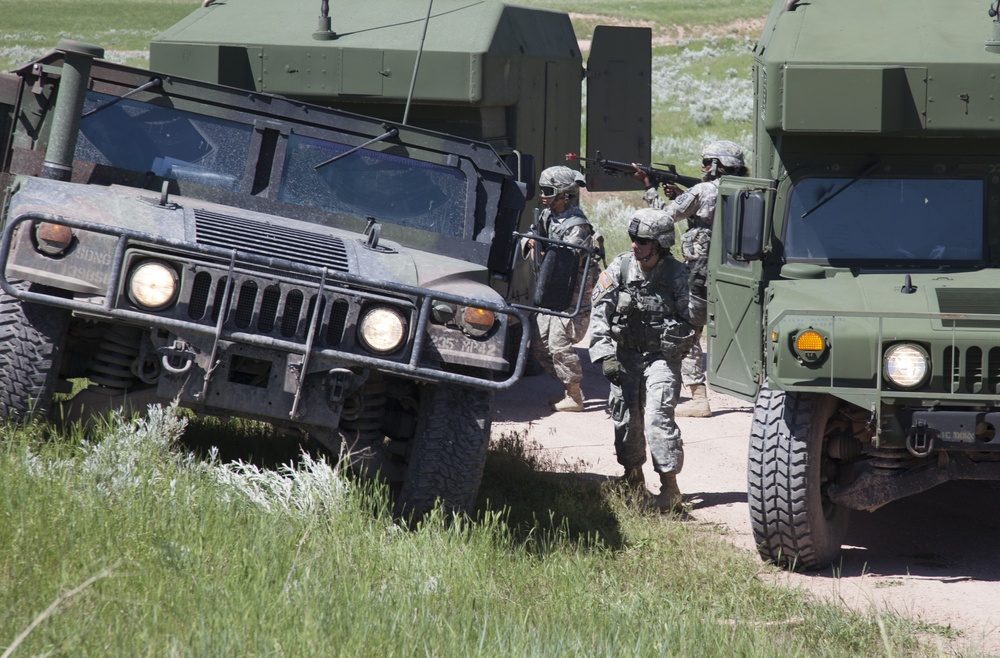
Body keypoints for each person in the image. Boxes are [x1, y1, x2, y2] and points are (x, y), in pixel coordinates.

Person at [589, 207, 694, 511]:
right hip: (626, 355)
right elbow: (599, 314)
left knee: (657, 418)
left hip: (661, 357)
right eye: (633, 238)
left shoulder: (677, 275)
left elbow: (693, 320)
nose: (635, 244)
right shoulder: (621, 268)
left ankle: (670, 488)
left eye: (643, 240)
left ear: (660, 244)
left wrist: (677, 341)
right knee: (626, 419)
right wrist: (606, 354)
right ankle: (633, 477)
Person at [633, 140, 748, 417]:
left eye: (707, 162)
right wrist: (684, 195)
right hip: (735, 272)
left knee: (685, 329)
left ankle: (698, 399)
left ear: (718, 165)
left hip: (699, 273)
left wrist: (650, 189)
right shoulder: (746, 189)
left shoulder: (705, 189)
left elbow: (662, 219)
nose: (702, 166)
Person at [522, 165, 598, 412]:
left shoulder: (578, 225)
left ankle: (575, 395)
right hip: (550, 291)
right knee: (540, 346)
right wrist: (531, 243)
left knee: (557, 343)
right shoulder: (547, 216)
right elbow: (530, 235)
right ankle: (568, 385)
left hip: (571, 295)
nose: (543, 195)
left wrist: (544, 250)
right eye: (541, 190)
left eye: (548, 191)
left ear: (564, 194)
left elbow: (565, 260)